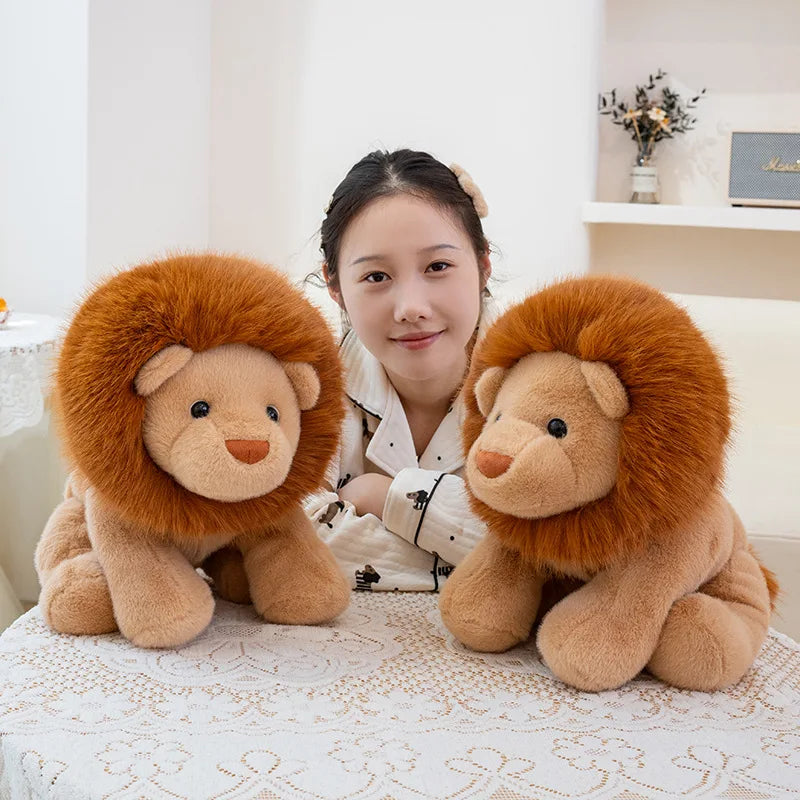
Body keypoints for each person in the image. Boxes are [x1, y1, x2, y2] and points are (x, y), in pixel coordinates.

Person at [303, 148, 497, 592]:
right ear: (335, 287)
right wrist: (490, 564)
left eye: (438, 266)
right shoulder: (306, 385)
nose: (411, 308)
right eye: (376, 277)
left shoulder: (544, 377)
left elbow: (558, 550)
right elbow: (288, 545)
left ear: (483, 266)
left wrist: (388, 497)